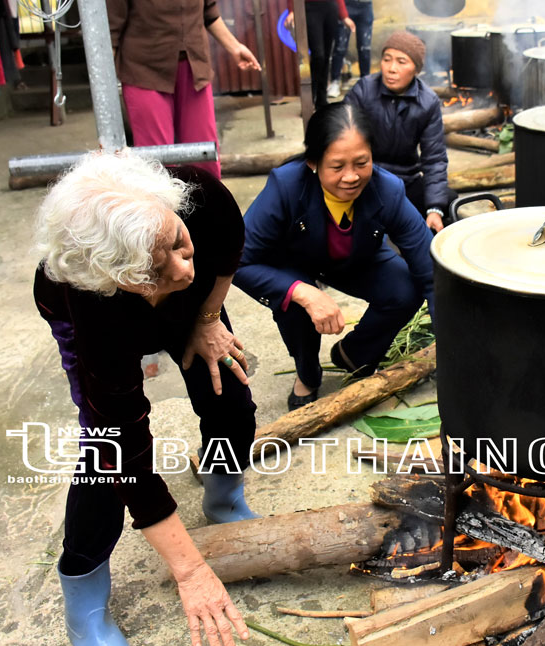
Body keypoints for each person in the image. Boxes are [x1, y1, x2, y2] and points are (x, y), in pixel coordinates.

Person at [33, 152, 259, 646]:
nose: (181, 269)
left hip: (189, 311)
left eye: (179, 244)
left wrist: (207, 318)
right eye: (158, 269)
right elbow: (126, 449)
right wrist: (189, 570)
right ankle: (84, 603)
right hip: (105, 310)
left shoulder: (196, 194)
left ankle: (224, 498)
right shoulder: (92, 300)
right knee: (106, 451)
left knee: (230, 395)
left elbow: (225, 251)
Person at [233, 102, 434, 410]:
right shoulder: (286, 186)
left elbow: (429, 269)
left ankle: (354, 353)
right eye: (337, 166)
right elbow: (238, 260)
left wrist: (451, 333)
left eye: (361, 163)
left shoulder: (389, 190)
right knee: (295, 308)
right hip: (294, 263)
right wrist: (303, 292)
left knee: (407, 289)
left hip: (356, 257)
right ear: (314, 162)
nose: (351, 177)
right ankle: (307, 373)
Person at [108, 0, 261, 179]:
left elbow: (208, 12)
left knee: (205, 158)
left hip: (194, 67)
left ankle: (207, 206)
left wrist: (235, 47)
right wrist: (105, 89)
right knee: (157, 164)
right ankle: (160, 207)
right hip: (144, 72)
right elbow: (109, 32)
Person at [344, 31, 452, 232]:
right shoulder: (364, 91)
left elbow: (434, 157)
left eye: (402, 62)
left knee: (447, 204)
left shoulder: (427, 102)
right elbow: (341, 138)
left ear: (416, 70)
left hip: (404, 181)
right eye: (387, 60)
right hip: (365, 178)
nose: (392, 69)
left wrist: (435, 208)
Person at [284, 0, 356, 110]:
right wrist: (292, 10)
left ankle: (321, 100)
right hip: (310, 8)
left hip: (330, 8)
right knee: (319, 55)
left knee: (326, 56)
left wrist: (344, 15)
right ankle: (309, 98)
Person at [327, 0, 375, 98]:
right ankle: (335, 82)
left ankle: (366, 83)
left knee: (365, 48)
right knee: (340, 46)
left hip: (365, 5)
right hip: (346, 5)